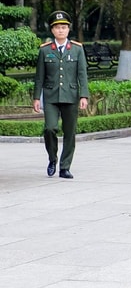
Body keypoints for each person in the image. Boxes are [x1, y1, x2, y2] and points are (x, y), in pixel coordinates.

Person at [32, 10, 89, 179]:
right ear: (52, 30)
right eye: (57, 28)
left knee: (69, 132)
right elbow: (39, 76)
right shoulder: (45, 50)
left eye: (64, 27)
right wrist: (36, 97)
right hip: (50, 96)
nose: (61, 30)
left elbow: (82, 74)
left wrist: (84, 95)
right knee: (50, 128)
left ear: (68, 29)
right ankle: (52, 158)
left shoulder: (77, 49)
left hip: (70, 95)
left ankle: (65, 167)